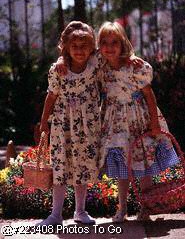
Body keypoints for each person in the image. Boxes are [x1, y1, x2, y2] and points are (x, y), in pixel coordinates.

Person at [97, 21, 179, 222]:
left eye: (114, 42)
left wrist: (154, 123)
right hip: (114, 122)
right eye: (104, 42)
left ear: (123, 42)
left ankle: (146, 206)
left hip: (137, 119)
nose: (109, 47)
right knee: (121, 166)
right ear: (99, 45)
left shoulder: (136, 66)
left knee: (143, 162)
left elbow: (149, 95)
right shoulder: (100, 67)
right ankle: (122, 207)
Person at [37, 21, 102, 227]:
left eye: (84, 46)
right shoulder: (58, 70)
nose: (80, 50)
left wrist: (133, 59)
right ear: (65, 47)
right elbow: (51, 95)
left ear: (92, 47)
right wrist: (44, 122)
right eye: (74, 46)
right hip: (62, 124)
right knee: (61, 166)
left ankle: (80, 211)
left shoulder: (95, 65)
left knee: (82, 166)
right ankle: (55, 215)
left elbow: (115, 57)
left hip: (86, 125)